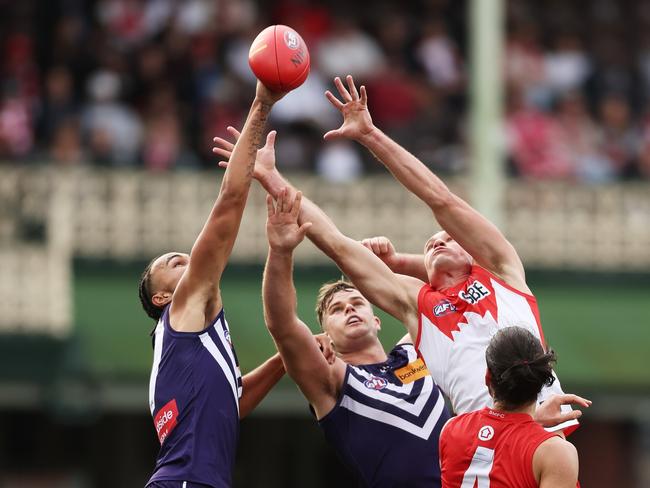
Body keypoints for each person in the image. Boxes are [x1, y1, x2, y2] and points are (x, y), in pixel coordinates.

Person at [212, 76, 589, 435]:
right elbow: (338, 244)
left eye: (448, 239)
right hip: (485, 451)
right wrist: (273, 179)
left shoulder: (504, 271)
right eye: (429, 246)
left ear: (472, 252)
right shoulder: (417, 304)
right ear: (422, 269)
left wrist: (370, 134)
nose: (438, 242)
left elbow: (438, 198)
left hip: (545, 432)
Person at [138, 81, 287, 488]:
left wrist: (285, 358)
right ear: (162, 296)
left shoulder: (186, 342)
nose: (185, 256)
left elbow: (231, 404)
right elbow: (229, 201)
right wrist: (262, 103)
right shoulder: (181, 307)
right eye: (172, 263)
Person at [262, 188, 450, 487]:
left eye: (358, 302)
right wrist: (281, 252)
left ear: (376, 320)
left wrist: (394, 265)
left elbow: (450, 298)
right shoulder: (334, 379)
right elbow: (283, 327)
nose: (349, 308)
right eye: (336, 310)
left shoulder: (414, 352)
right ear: (326, 337)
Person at [439, 327, 582, 487]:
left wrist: (533, 423)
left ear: (488, 378)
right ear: (540, 382)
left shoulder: (451, 430)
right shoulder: (555, 453)